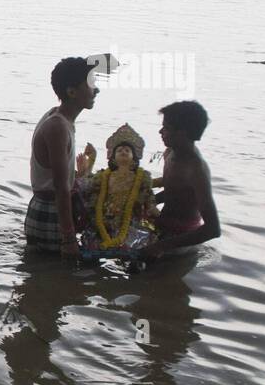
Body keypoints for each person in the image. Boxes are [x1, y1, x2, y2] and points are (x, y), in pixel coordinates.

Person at [26, 56, 99, 258]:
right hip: (51, 213)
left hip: (52, 210)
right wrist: (68, 238)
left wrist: (85, 172)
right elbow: (60, 186)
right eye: (91, 84)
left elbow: (59, 178)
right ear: (72, 92)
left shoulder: (60, 118)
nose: (96, 89)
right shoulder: (58, 126)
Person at [143, 101, 220, 259]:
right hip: (163, 226)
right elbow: (175, 192)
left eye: (166, 128)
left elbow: (213, 229)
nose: (160, 131)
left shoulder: (196, 171)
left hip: (182, 239)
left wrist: (160, 246)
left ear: (182, 133)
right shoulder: (169, 152)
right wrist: (145, 201)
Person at [78, 123, 159, 255]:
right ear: (113, 157)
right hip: (104, 220)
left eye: (127, 150)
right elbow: (87, 187)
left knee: (141, 246)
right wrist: (89, 164)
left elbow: (149, 199)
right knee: (91, 242)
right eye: (119, 150)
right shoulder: (103, 176)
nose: (123, 152)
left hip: (129, 222)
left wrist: (155, 213)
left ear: (134, 156)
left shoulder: (141, 178)